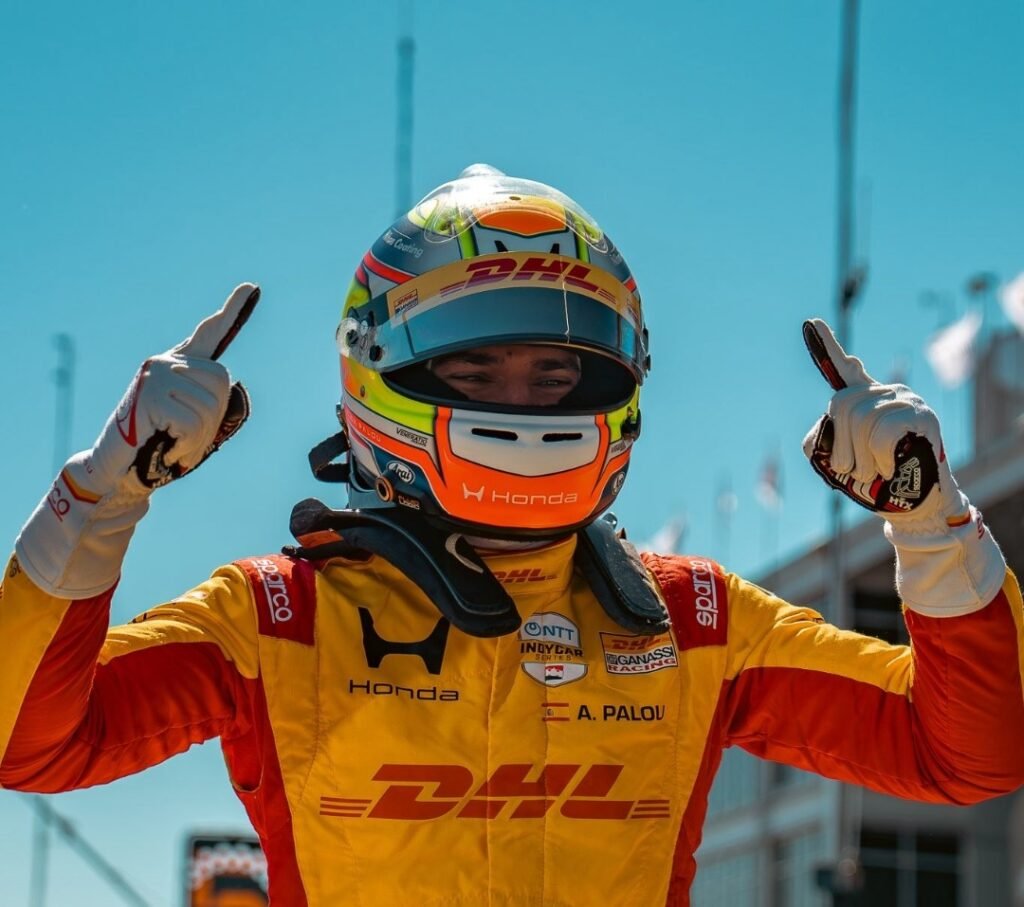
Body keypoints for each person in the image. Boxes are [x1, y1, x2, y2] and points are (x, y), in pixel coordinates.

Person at [2, 164, 1022, 907]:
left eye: (555, 372)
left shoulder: (694, 621)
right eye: (475, 369)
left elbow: (974, 752)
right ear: (378, 369)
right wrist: (101, 492)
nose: (523, 403)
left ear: (621, 376)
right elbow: (26, 744)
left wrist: (931, 518)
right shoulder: (280, 615)